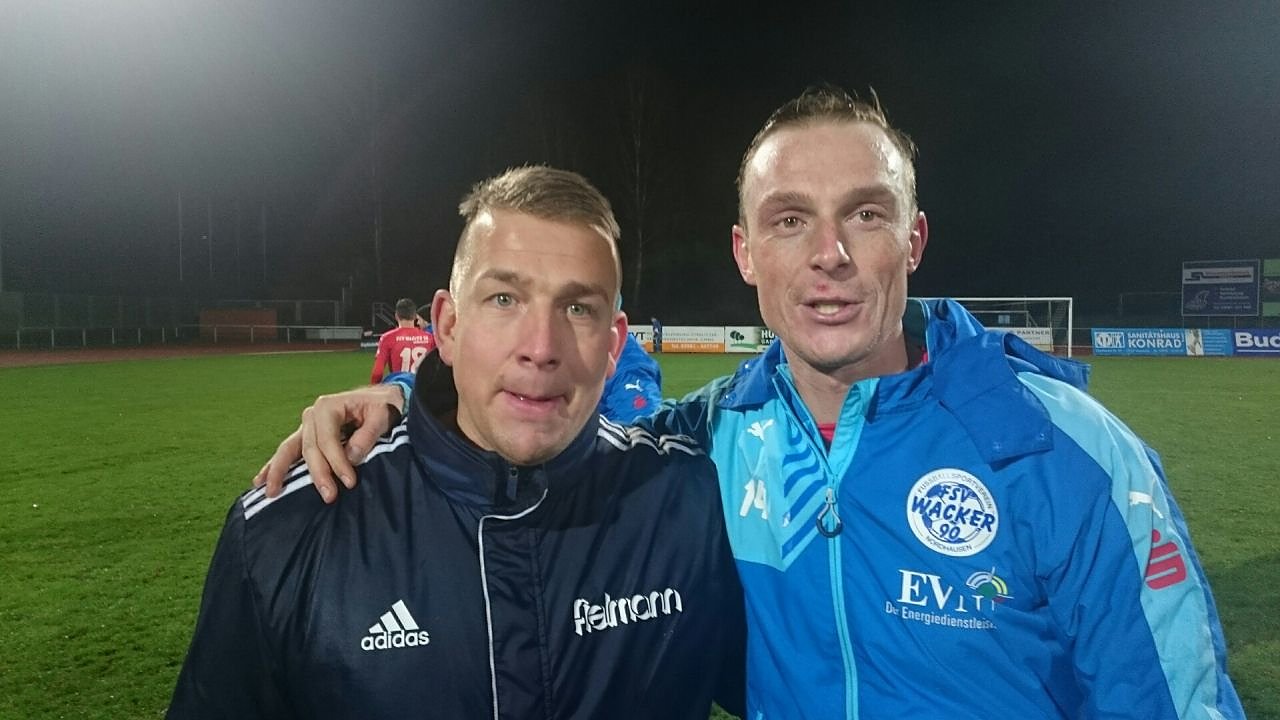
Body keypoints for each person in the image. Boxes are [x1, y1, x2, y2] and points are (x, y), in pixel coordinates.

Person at [255, 88, 1244, 718]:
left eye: (865, 215)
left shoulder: (1064, 455)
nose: (828, 255)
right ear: (744, 253)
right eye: (788, 220)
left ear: (913, 240)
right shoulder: (702, 442)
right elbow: (547, 426)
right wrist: (406, 394)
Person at [168, 166, 745, 719]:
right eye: (504, 299)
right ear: (446, 326)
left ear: (615, 346)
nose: (540, 347)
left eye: (577, 308)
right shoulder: (286, 529)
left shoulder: (691, 501)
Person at [369, 297, 435, 383]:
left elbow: (377, 373)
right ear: (415, 316)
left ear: (396, 316)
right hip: (422, 387)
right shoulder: (429, 338)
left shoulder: (387, 338)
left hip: (400, 386)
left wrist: (375, 387)